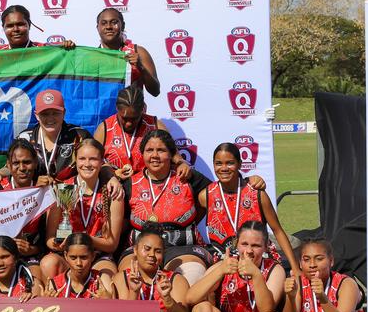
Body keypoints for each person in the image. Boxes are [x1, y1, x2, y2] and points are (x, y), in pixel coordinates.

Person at [0, 89, 123, 199]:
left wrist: (111, 178)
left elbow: (98, 161)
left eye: (55, 113)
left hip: (71, 199)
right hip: (35, 199)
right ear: (36, 115)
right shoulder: (25, 137)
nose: (50, 119)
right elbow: (13, 165)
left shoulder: (78, 136)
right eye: (45, 114)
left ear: (64, 113)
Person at [122, 129, 213, 285]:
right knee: (127, 280)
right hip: (141, 250)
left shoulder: (187, 177)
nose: (155, 155)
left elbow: (222, 195)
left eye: (161, 150)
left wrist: (249, 181)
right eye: (149, 150)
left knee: (191, 279)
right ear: (142, 154)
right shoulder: (130, 184)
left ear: (172, 155)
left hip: (182, 249)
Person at [187, 221, 285, 312]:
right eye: (244, 244)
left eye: (256, 246)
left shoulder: (274, 269)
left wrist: (256, 275)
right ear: (236, 244)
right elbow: (190, 298)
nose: (249, 251)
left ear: (265, 247)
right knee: (200, 309)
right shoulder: (226, 264)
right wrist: (220, 270)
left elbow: (266, 309)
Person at [199, 143, 299, 272]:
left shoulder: (257, 194)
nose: (224, 168)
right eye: (219, 163)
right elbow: (194, 226)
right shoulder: (205, 196)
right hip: (224, 262)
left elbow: (277, 230)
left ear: (240, 164)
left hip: (258, 260)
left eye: (230, 163)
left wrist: (295, 268)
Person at [113, 224, 197, 312]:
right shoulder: (121, 278)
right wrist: (134, 292)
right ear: (135, 250)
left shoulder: (175, 279)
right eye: (147, 249)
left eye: (158, 251)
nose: (152, 255)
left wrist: (167, 298)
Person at [42, 139, 124, 279]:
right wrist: (60, 244)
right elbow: (49, 238)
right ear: (75, 160)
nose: (87, 164)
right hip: (68, 255)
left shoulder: (113, 192)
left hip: (97, 255)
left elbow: (111, 245)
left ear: (101, 162)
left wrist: (81, 239)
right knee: (49, 263)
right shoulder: (62, 189)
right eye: (82, 158)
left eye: (93, 159)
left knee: (107, 277)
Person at [94, 86, 188, 180]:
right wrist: (111, 174)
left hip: (148, 189)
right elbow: (93, 160)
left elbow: (174, 154)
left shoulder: (154, 126)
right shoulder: (105, 129)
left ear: (143, 109)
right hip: (115, 188)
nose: (128, 124)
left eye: (134, 118)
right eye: (124, 118)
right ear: (117, 109)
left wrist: (181, 163)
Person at [0, 138, 47, 281]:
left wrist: (32, 249)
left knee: (36, 281)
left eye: (26, 162)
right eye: (16, 163)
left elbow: (48, 240)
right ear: (8, 165)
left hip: (31, 255)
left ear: (35, 163)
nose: (21, 168)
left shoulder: (45, 191)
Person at [96, 7, 160, 96]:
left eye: (114, 22)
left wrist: (140, 67)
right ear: (97, 28)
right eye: (104, 23)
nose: (109, 27)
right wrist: (69, 51)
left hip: (132, 109)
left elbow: (155, 91)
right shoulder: (92, 57)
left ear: (123, 25)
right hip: (103, 110)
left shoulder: (139, 52)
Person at [0, 5, 74, 52]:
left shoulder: (45, 50)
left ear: (29, 25)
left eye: (20, 24)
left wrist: (67, 48)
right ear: (3, 28)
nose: (15, 29)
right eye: (10, 26)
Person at [45, 233, 112, 299]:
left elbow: (113, 307)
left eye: (84, 257)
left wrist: (107, 301)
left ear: (93, 256)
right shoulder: (55, 285)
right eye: (73, 258)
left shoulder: (101, 280)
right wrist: (45, 302)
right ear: (65, 255)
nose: (79, 263)